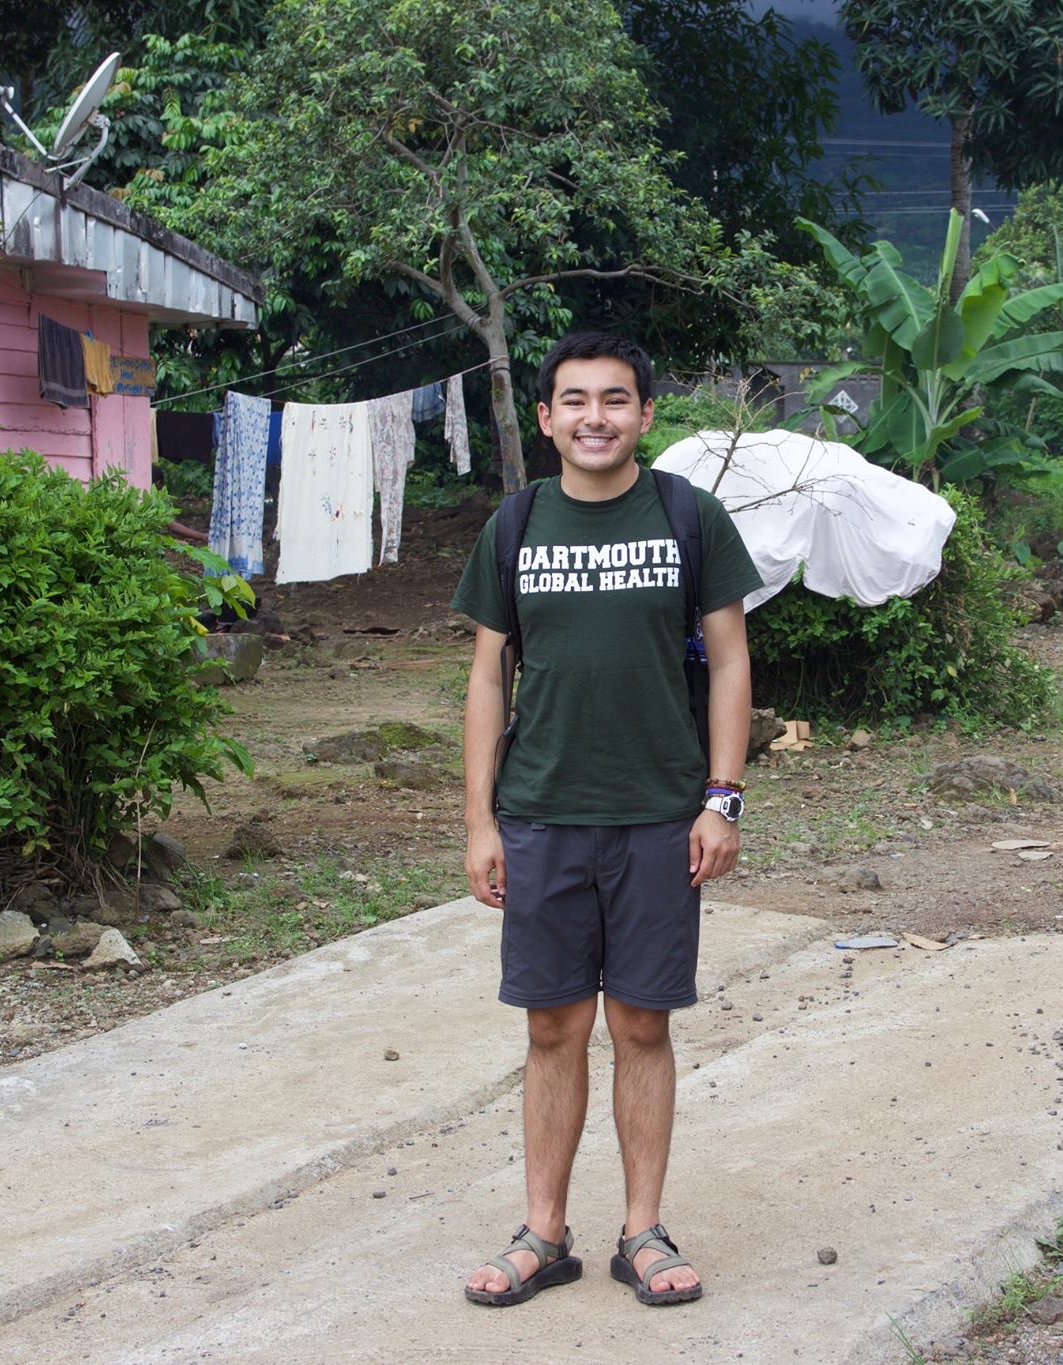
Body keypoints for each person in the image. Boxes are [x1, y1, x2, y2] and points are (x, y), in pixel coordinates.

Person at [451, 331, 762, 1308]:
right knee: (551, 1028)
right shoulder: (513, 527)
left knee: (639, 1024)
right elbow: (485, 678)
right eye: (575, 400)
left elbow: (730, 661)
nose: (595, 416)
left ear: (643, 415)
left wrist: (721, 798)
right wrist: (478, 821)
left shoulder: (687, 516)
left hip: (657, 816)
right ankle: (544, 1232)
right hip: (540, 814)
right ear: (544, 419)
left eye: (615, 399)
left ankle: (642, 1231)